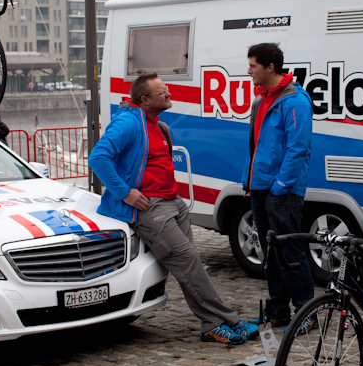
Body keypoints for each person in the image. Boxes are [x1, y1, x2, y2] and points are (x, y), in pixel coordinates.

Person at [89, 73, 258, 345]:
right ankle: (229, 320)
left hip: (173, 204)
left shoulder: (158, 125)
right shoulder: (129, 123)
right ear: (144, 100)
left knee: (188, 268)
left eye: (167, 89)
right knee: (190, 263)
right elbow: (98, 157)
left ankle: (213, 324)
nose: (168, 94)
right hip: (150, 210)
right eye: (162, 91)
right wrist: (125, 193)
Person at [242, 43, 315, 332]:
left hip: (282, 191)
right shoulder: (261, 100)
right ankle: (278, 312)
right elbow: (256, 145)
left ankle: (307, 312)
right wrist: (251, 182)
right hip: (261, 187)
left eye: (253, 66)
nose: (249, 71)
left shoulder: (295, 101)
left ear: (270, 67)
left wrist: (281, 185)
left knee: (290, 252)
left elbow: (298, 148)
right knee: (271, 252)